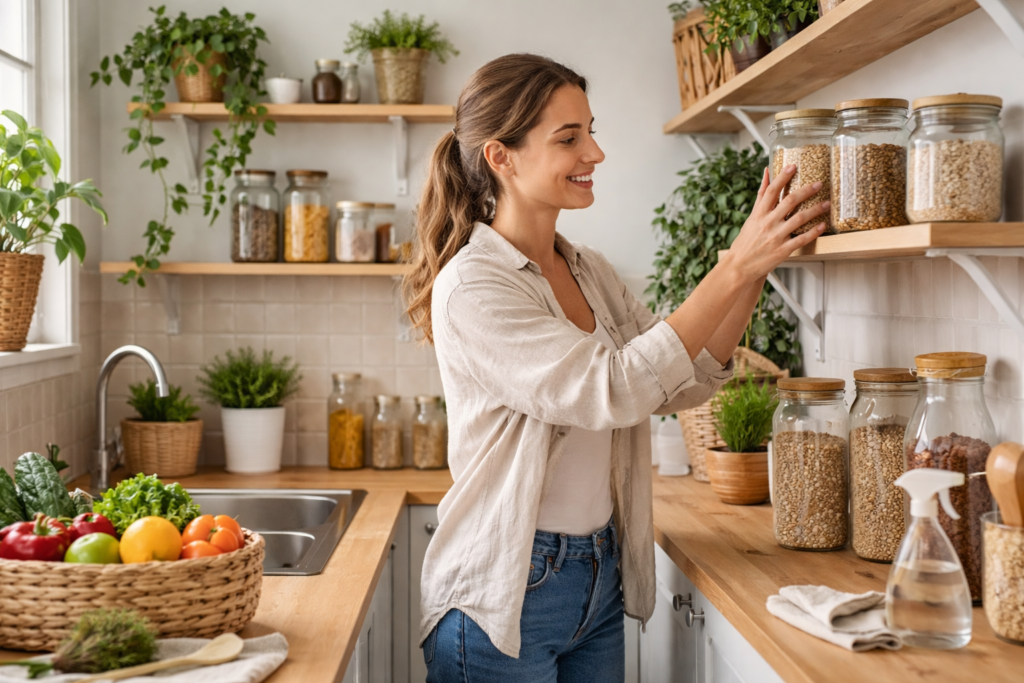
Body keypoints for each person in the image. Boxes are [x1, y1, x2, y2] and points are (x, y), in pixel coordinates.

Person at [403, 53, 827, 683]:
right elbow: (614, 387)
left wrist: (756, 266)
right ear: (501, 157)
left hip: (598, 579)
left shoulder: (588, 270)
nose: (595, 153)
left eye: (591, 131)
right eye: (569, 138)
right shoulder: (473, 285)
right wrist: (733, 264)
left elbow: (676, 380)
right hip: (504, 593)